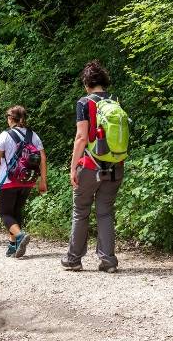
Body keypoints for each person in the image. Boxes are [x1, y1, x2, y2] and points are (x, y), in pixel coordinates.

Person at [61, 60, 125, 273]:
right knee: (105, 212)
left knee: (81, 211)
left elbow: (81, 137)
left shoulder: (84, 102)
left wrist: (72, 167)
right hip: (115, 165)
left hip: (90, 166)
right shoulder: (115, 101)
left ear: (87, 83)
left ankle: (74, 259)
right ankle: (108, 261)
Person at [0, 106, 48, 258]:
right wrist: (43, 180)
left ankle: (19, 236)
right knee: (16, 211)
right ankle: (13, 245)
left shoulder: (5, 135)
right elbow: (43, 158)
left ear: (11, 118)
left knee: (5, 213)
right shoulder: (34, 135)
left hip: (8, 180)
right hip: (28, 180)